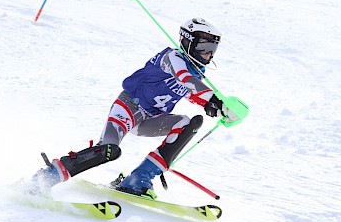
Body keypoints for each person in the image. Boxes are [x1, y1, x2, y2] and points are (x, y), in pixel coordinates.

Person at [32, 17, 239, 198]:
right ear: (187, 41)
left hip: (150, 119)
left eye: (212, 50)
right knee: (108, 150)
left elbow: (189, 91)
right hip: (129, 107)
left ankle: (138, 179)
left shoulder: (198, 72)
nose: (207, 55)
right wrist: (216, 99)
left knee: (187, 124)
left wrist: (213, 107)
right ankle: (46, 177)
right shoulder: (173, 58)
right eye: (203, 47)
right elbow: (185, 80)